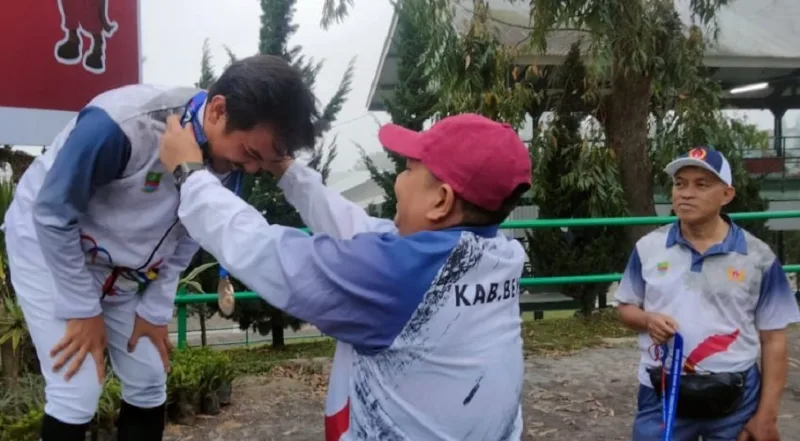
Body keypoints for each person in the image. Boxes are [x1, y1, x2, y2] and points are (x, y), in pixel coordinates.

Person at [159, 112, 532, 440]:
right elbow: (361, 231)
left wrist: (190, 176)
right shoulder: (497, 252)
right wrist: (287, 170)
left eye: (409, 169)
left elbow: (267, 253)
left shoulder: (398, 276)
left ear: (441, 201)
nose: (398, 180)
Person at [3, 54, 317, 441]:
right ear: (218, 110)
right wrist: (82, 309)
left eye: (263, 162)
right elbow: (51, 214)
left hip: (121, 265)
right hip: (47, 240)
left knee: (150, 378)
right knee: (77, 386)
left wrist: (153, 311)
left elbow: (189, 236)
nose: (251, 170)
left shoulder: (231, 162)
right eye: (251, 155)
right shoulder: (121, 124)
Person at [614, 146, 800, 441]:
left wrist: (767, 416)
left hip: (735, 398)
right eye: (680, 184)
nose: (686, 193)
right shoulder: (648, 248)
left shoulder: (758, 257)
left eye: (701, 185)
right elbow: (625, 308)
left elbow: (774, 339)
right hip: (662, 391)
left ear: (727, 195)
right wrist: (647, 319)